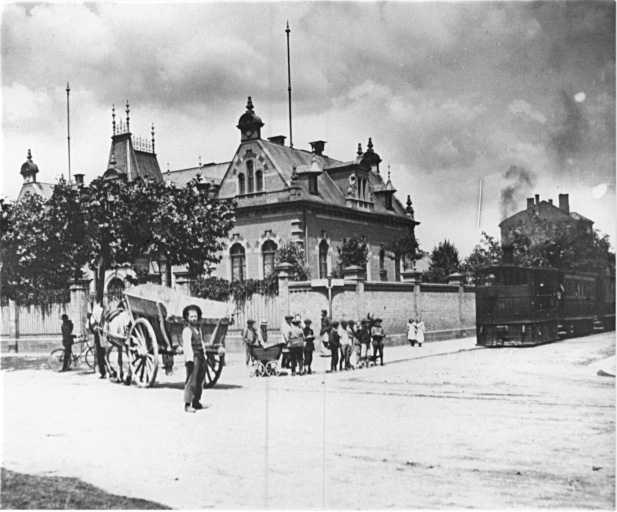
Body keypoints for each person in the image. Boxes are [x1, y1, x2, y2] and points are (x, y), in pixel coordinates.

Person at [183, 305, 206, 413]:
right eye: (191, 316)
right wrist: (189, 360)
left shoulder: (198, 330)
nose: (194, 318)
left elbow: (202, 344)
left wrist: (204, 355)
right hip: (193, 358)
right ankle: (187, 404)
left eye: (195, 316)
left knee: (200, 380)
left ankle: (196, 401)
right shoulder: (187, 330)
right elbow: (187, 346)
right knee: (191, 381)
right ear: (187, 318)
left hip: (201, 357)